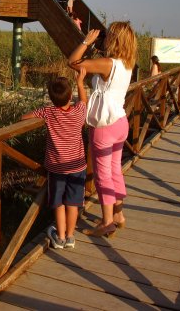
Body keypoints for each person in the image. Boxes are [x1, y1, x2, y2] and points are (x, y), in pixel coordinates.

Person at [68, 22, 137, 238]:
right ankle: (118, 215)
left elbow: (73, 62)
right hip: (120, 121)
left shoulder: (108, 63)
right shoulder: (126, 63)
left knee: (103, 175)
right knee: (115, 170)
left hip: (105, 125)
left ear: (113, 39)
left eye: (108, 35)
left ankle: (107, 223)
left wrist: (86, 41)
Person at [21, 69, 88, 249]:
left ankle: (59, 237)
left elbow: (24, 118)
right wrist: (80, 82)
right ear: (69, 96)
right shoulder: (79, 112)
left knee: (58, 203)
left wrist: (33, 116)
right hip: (77, 165)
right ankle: (70, 237)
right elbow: (83, 101)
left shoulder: (48, 113)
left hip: (57, 167)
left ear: (51, 98)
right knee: (73, 203)